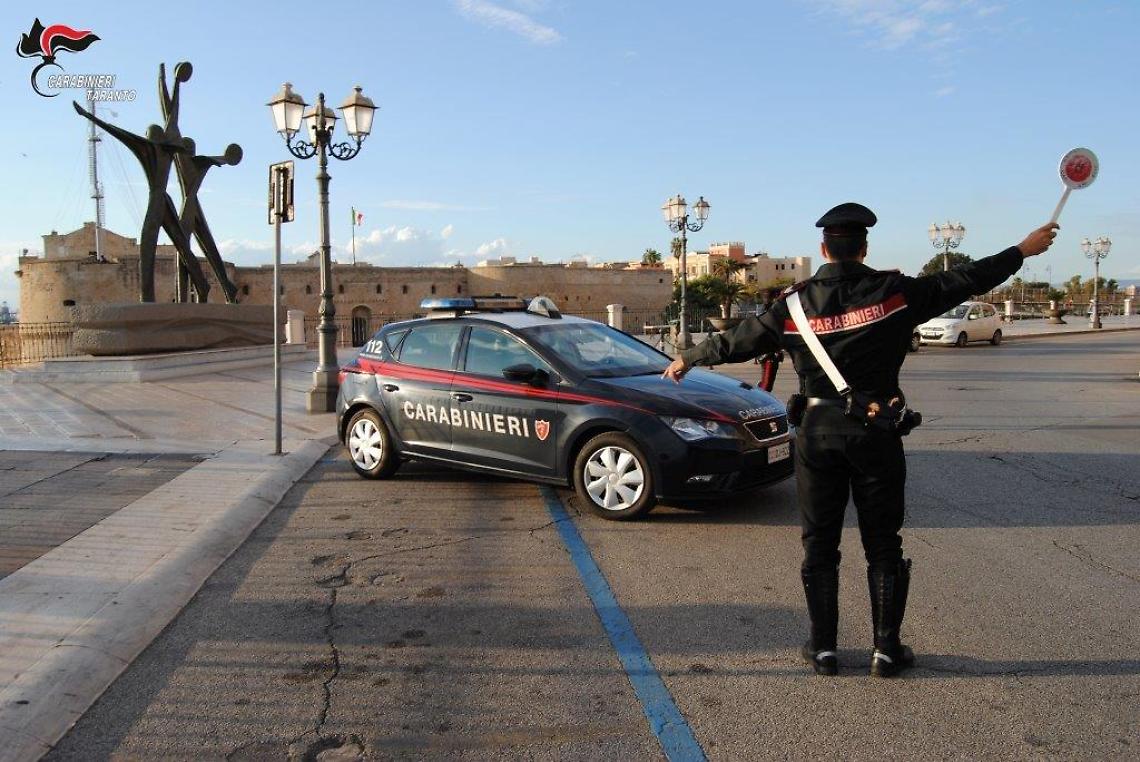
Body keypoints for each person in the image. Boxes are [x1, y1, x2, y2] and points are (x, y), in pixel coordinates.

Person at [663, 203, 1058, 677]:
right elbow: (965, 279)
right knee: (883, 543)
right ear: (864, 248)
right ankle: (886, 650)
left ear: (823, 249)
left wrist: (689, 358)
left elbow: (739, 340)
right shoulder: (896, 293)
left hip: (817, 434)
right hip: (877, 433)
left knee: (819, 544)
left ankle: (824, 649)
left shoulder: (793, 305)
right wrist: (1021, 250)